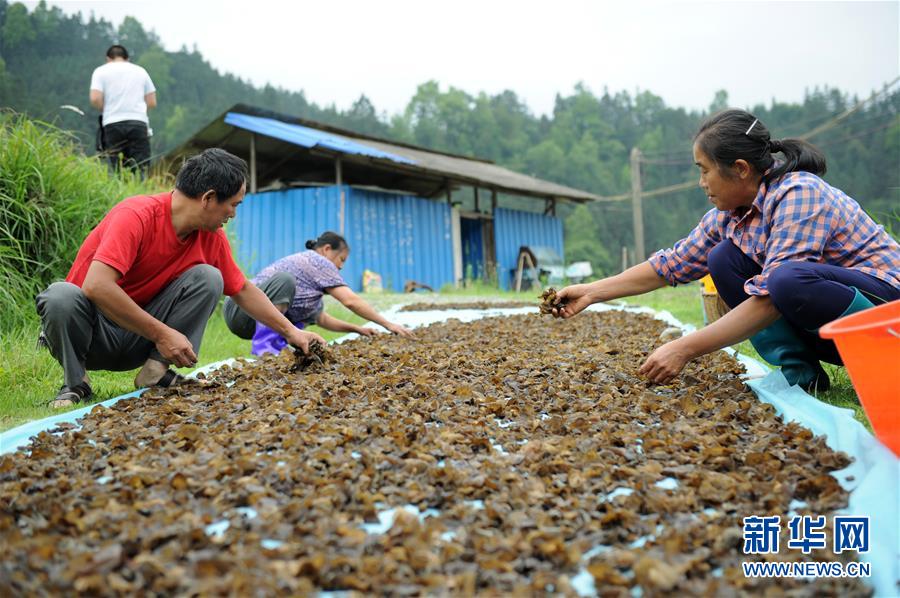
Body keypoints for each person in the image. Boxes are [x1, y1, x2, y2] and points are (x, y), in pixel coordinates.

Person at [552, 109, 900, 392]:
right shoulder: (730, 215)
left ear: (740, 169)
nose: (701, 182)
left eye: (704, 171)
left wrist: (684, 348)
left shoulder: (799, 193)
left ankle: (888, 361)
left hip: (887, 311)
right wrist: (592, 292)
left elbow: (773, 296)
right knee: (723, 259)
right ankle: (802, 375)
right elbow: (672, 264)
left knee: (786, 279)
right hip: (833, 322)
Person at [36, 149, 325, 408]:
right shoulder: (136, 216)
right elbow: (97, 286)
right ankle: (77, 382)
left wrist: (291, 332)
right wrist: (163, 334)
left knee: (209, 276)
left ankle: (154, 373)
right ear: (208, 198)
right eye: (233, 205)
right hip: (93, 336)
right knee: (60, 295)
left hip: (139, 340)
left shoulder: (210, 236)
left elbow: (242, 289)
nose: (233, 214)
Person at [223, 231, 413, 354]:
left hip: (252, 319)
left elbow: (321, 318)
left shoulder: (311, 284)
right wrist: (388, 324)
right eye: (341, 259)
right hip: (241, 309)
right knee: (284, 280)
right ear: (327, 250)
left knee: (303, 313)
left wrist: (357, 329)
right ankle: (266, 351)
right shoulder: (317, 261)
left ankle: (275, 349)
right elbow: (350, 301)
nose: (340, 266)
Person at [90, 44, 156, 176]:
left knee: (118, 168)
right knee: (141, 167)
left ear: (108, 59)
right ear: (127, 58)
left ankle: (122, 187)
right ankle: (140, 187)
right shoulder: (140, 71)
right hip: (138, 122)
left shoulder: (100, 71)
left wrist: (106, 109)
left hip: (112, 123)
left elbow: (95, 98)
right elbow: (152, 102)